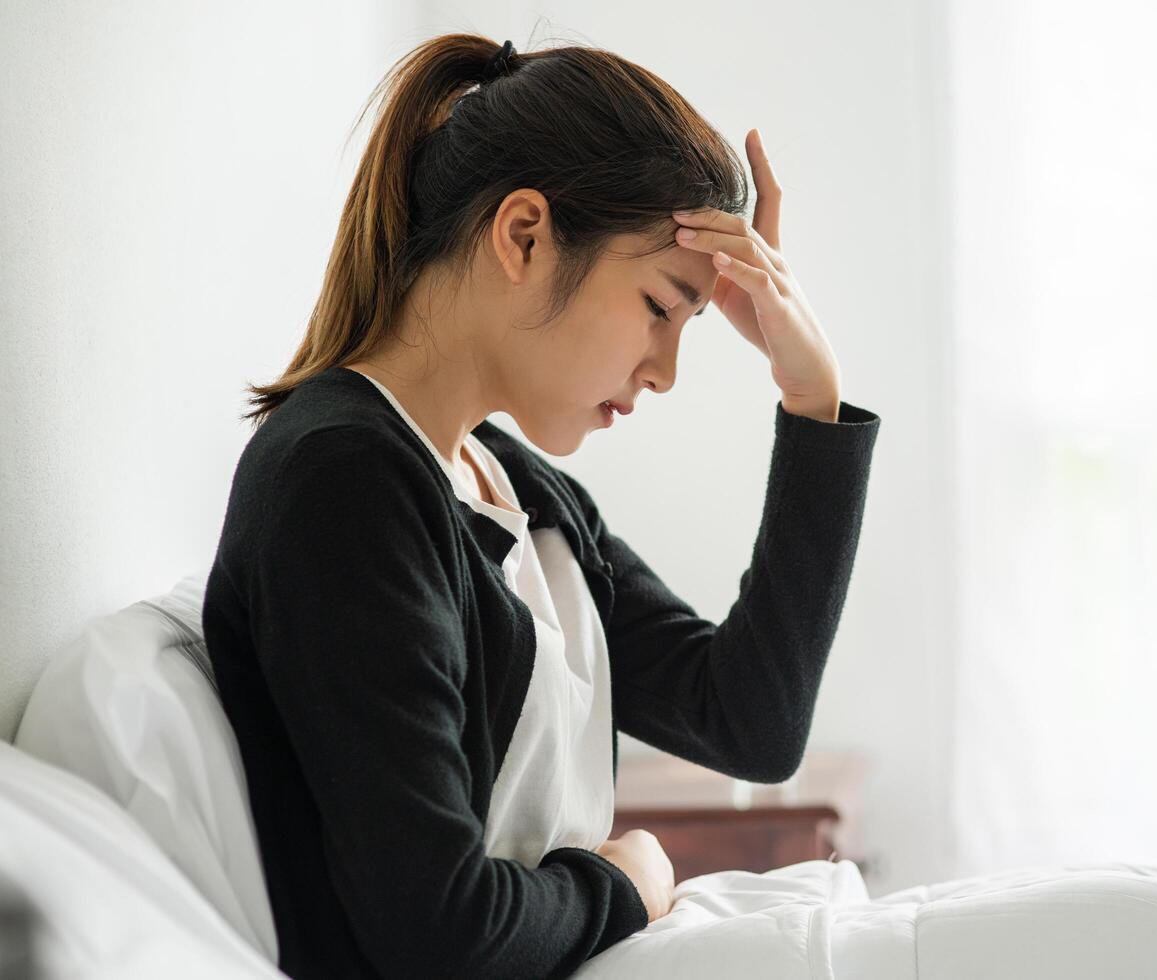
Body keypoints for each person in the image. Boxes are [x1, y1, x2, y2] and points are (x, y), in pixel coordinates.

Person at [201, 31, 881, 980]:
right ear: (524, 234)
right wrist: (629, 882)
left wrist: (814, 409)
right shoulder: (344, 482)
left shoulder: (514, 482)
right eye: (658, 304)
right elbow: (438, 933)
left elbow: (750, 725)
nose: (667, 372)